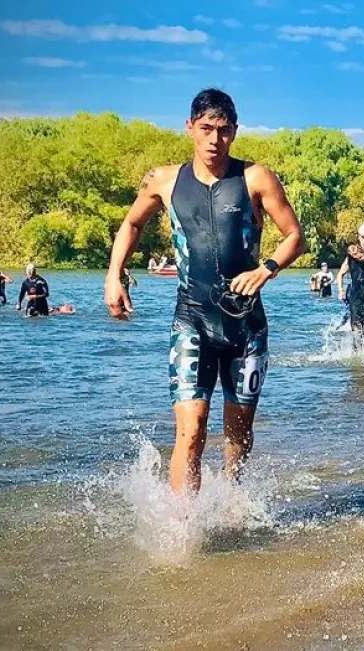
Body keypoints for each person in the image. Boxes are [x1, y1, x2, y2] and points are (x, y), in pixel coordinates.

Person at [103, 88, 305, 495]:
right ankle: (184, 531)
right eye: (207, 129)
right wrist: (114, 274)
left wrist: (265, 270)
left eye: (225, 131)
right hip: (191, 319)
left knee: (237, 436)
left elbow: (295, 237)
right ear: (190, 127)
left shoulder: (255, 177)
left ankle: (231, 508)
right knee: (191, 431)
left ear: (235, 131)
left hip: (246, 326)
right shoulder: (164, 179)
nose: (215, 140)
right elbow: (132, 224)